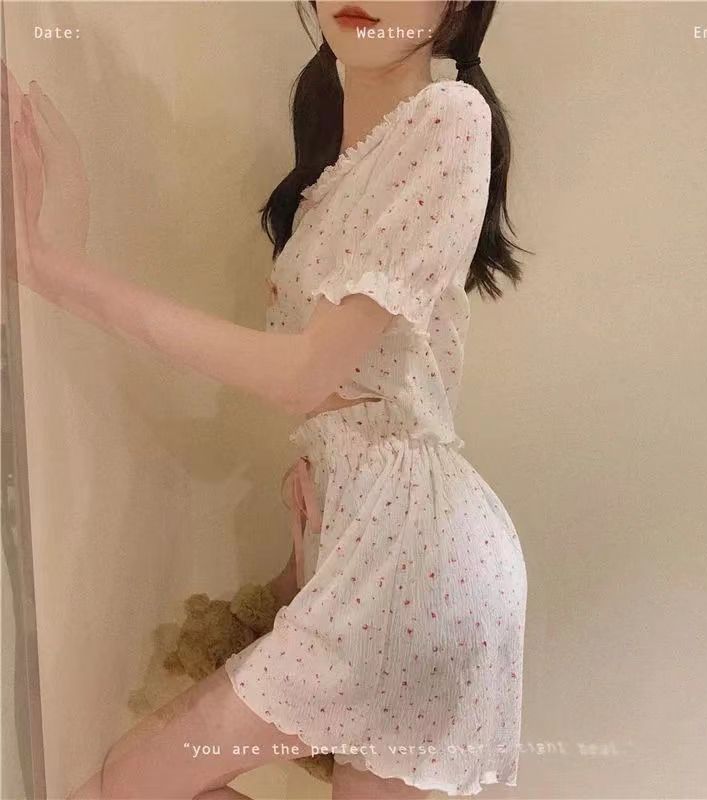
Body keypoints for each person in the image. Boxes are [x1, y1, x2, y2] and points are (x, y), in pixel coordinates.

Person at [5, 1, 528, 797]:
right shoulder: (333, 177)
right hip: (367, 540)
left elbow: (304, 375)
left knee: (124, 786)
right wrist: (309, 543)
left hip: (418, 558)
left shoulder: (451, 114)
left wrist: (58, 269)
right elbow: (333, 391)